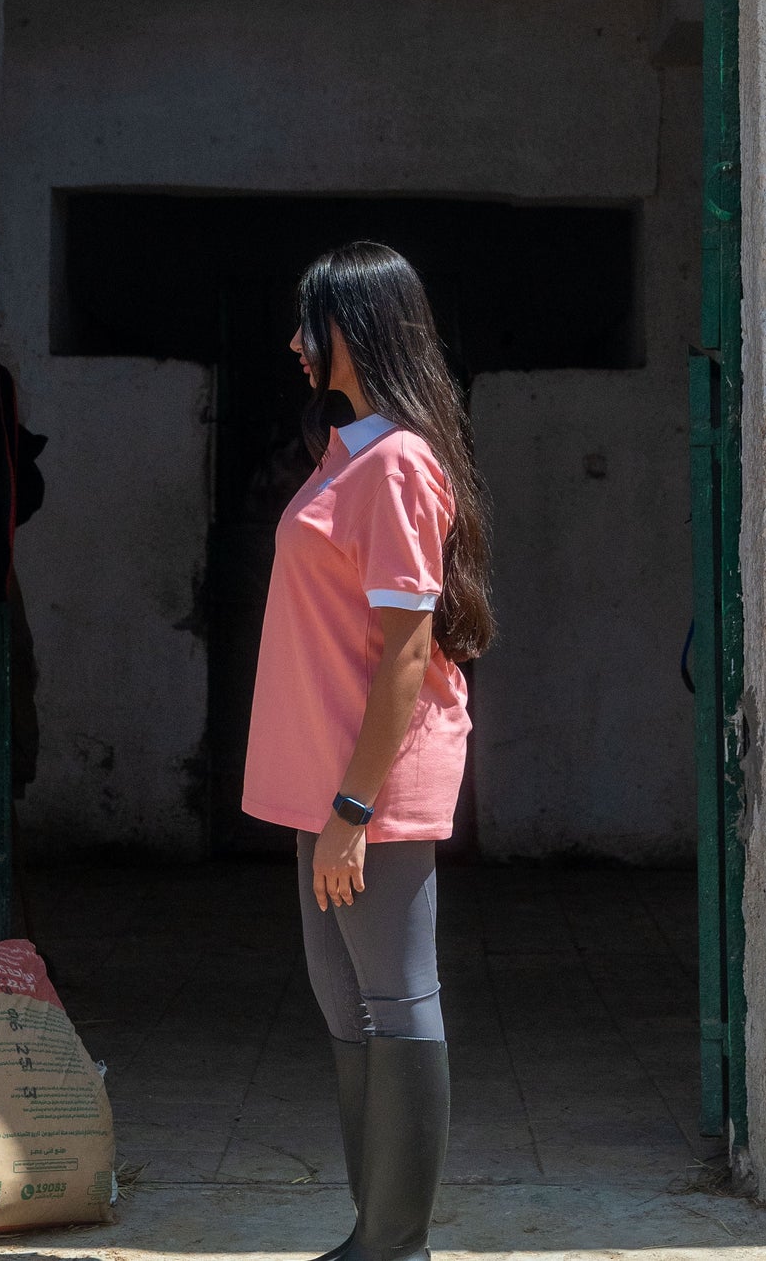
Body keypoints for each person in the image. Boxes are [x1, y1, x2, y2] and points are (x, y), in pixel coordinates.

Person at [241, 243, 495, 1261]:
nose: (295, 342)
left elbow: (403, 653)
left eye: (313, 321)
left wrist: (352, 811)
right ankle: (372, 1233)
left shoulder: (396, 464)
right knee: (347, 1005)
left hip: (369, 785)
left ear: (361, 329)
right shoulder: (345, 452)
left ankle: (394, 1244)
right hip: (324, 782)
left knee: (395, 998)